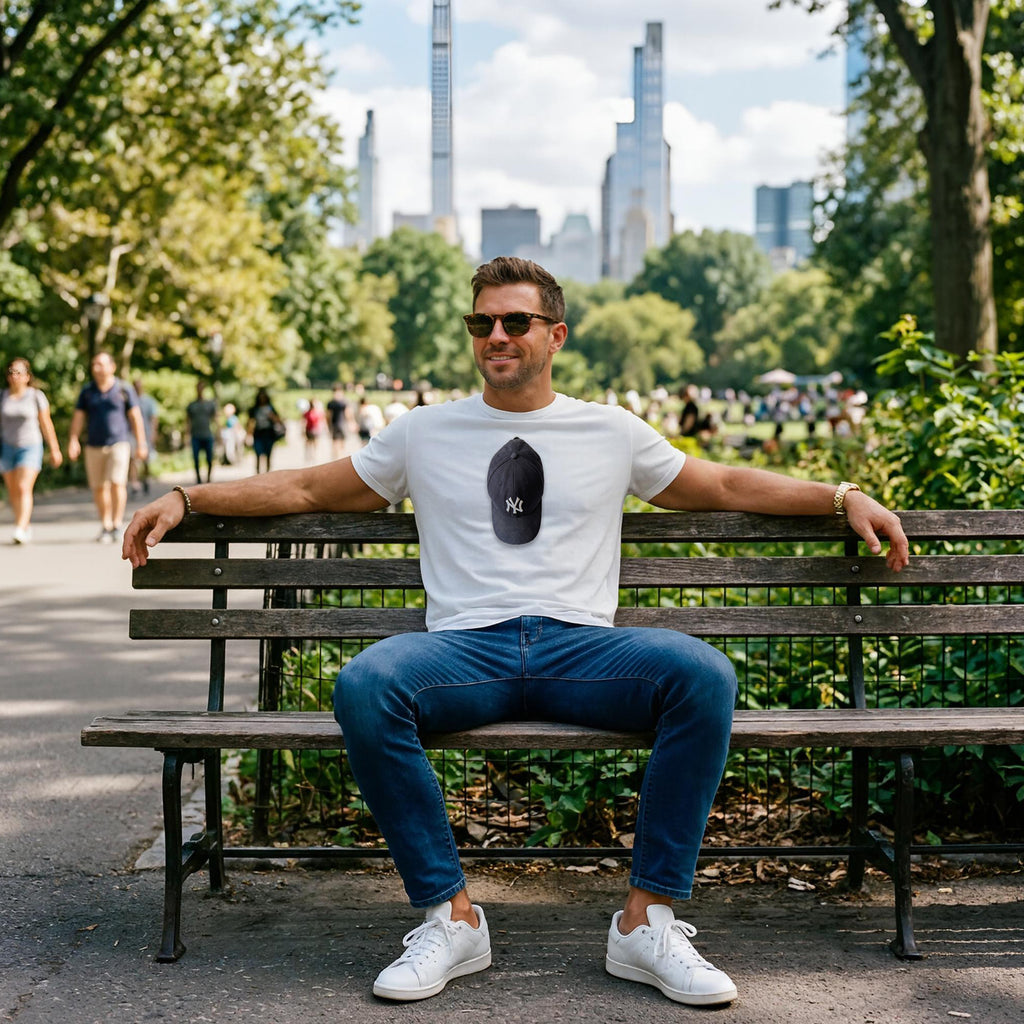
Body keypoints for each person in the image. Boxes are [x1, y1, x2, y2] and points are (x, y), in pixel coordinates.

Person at [123, 257, 909, 1008]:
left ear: (555, 334)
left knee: (701, 675)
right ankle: (451, 919)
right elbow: (302, 481)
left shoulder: (610, 430)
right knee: (366, 685)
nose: (496, 337)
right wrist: (188, 499)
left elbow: (728, 481)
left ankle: (646, 924)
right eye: (481, 323)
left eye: (515, 322)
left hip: (582, 651)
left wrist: (840, 496)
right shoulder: (422, 431)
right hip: (464, 651)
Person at [68, 351, 148, 542]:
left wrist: (141, 443)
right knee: (99, 487)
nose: (96, 368)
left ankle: (116, 524)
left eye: (101, 364)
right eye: (94, 364)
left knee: (117, 483)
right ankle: (105, 524)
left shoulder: (123, 389)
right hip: (94, 445)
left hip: (119, 443)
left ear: (112, 367)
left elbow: (135, 417)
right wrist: (73, 439)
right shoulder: (87, 392)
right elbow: (79, 417)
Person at [1, 357, 63, 544]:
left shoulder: (36, 396)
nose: (14, 376)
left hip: (30, 446)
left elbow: (46, 424)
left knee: (23, 487)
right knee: (13, 491)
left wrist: (54, 449)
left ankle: (20, 527)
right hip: (7, 447)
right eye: (11, 372)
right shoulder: (2, 396)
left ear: (28, 376)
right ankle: (24, 525)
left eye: (19, 372)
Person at [129, 377, 159, 495]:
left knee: (146, 461)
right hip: (132, 435)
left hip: (146, 434)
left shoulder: (149, 401)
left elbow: (154, 419)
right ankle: (135, 483)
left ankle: (145, 479)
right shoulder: (129, 401)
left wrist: (153, 434)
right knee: (133, 460)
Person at [185, 381, 218, 484]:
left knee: (209, 458)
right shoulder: (192, 405)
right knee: (196, 459)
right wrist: (186, 435)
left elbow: (215, 418)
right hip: (196, 435)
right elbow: (187, 421)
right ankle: (198, 478)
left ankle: (208, 478)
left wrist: (218, 433)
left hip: (207, 435)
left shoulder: (210, 404)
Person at [246, 387, 284, 474]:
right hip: (258, 433)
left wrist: (272, 417)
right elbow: (250, 422)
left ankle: (267, 472)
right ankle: (258, 473)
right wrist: (249, 434)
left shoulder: (271, 408)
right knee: (258, 453)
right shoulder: (255, 409)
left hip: (268, 433)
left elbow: (278, 420)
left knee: (268, 454)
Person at [326, 383, 354, 459]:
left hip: (335, 424)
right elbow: (348, 413)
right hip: (342, 424)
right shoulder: (344, 401)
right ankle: (339, 457)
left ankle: (336, 458)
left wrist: (328, 426)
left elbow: (328, 416)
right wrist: (352, 423)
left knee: (336, 443)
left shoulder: (331, 402)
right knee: (341, 443)